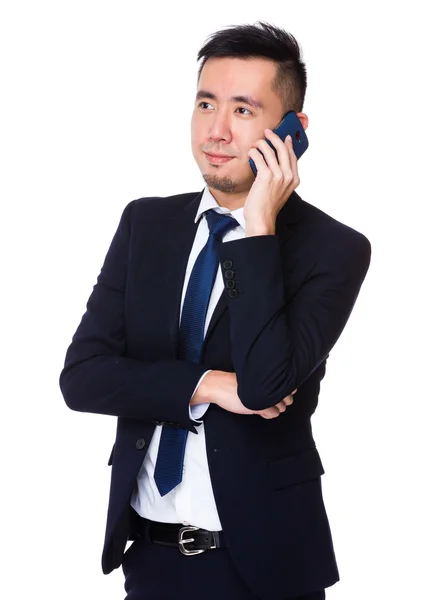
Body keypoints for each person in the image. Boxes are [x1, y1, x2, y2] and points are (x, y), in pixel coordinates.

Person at [60, 21, 371, 600]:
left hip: (267, 567)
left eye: (244, 110)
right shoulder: (145, 225)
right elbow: (81, 380)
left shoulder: (334, 250)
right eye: (206, 103)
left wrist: (258, 230)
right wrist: (205, 384)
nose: (217, 130)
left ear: (292, 130)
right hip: (151, 558)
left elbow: (265, 385)